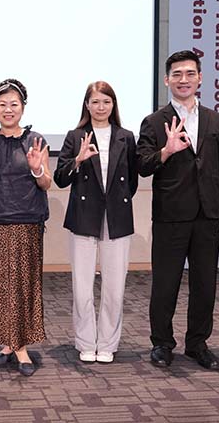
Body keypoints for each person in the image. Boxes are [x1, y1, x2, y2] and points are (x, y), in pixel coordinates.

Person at [136, 50, 219, 371]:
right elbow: (142, 165)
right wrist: (165, 150)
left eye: (190, 73)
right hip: (170, 215)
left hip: (208, 215)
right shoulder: (153, 121)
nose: (183, 79)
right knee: (165, 284)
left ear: (200, 78)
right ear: (167, 80)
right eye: (177, 74)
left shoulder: (216, 120)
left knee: (205, 284)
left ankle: (197, 343)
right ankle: (162, 343)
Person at [53, 81, 138, 364]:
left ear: (113, 105)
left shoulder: (126, 136)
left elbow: (132, 182)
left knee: (115, 287)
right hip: (83, 218)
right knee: (82, 286)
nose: (101, 107)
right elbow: (60, 179)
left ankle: (108, 343)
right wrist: (77, 160)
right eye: (95, 102)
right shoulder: (74, 135)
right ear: (86, 105)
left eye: (106, 102)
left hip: (117, 217)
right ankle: (86, 342)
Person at [0, 78, 50, 377]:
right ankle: (8, 344)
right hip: (0, 221)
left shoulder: (35, 139)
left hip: (28, 220)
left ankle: (21, 345)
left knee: (23, 286)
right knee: (3, 287)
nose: (8, 110)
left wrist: (37, 167)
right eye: (2, 104)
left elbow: (46, 182)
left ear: (23, 107)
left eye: (14, 104)